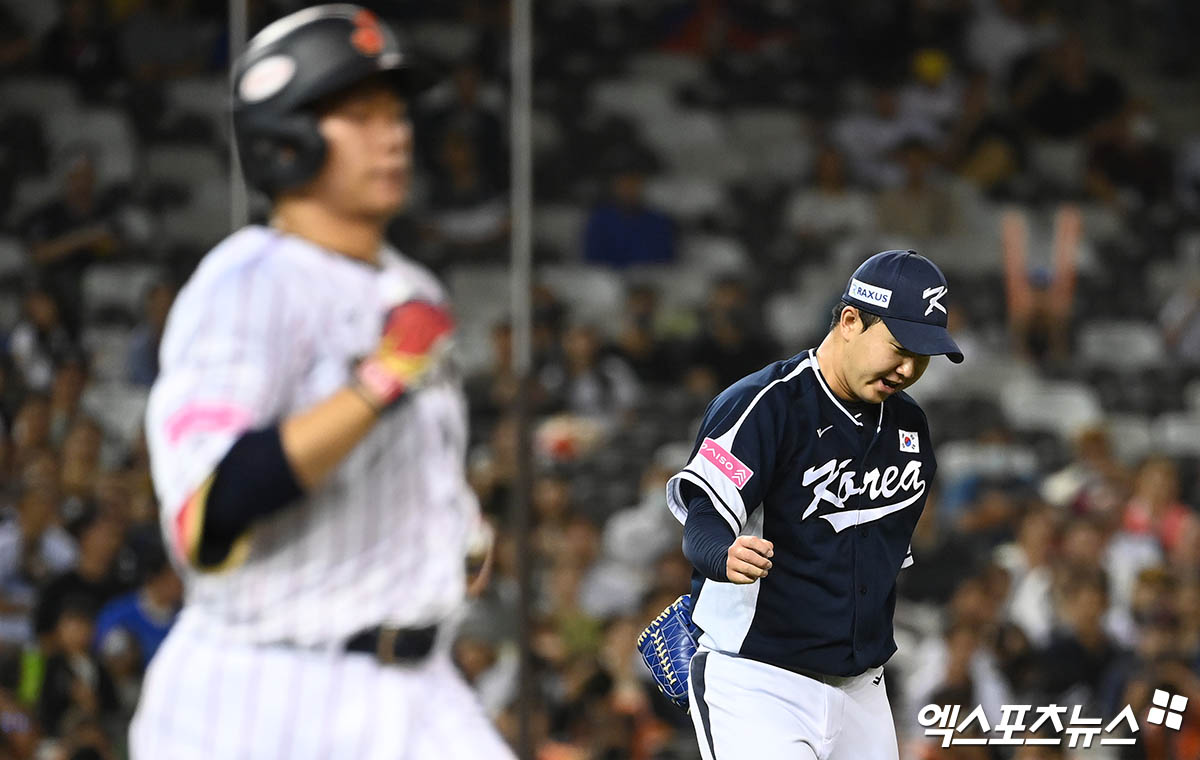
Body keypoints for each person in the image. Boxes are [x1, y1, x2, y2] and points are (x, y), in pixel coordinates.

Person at [129, 6, 513, 759]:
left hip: (414, 687)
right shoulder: (248, 282)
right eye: (360, 115)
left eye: (395, 113)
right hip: (262, 692)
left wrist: (456, 538)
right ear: (286, 140)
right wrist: (376, 382)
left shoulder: (415, 289)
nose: (394, 133)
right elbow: (208, 519)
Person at [665, 250, 963, 758]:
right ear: (851, 321)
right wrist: (722, 554)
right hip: (759, 680)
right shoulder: (767, 402)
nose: (909, 367)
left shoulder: (909, 427)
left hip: (862, 689)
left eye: (924, 355)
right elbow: (705, 516)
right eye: (898, 346)